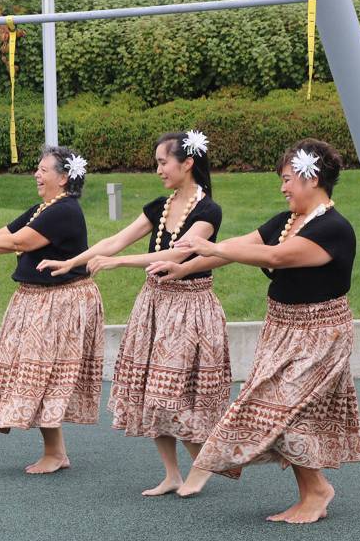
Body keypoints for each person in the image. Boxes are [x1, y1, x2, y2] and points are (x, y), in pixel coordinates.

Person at [148, 138, 360, 523]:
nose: (283, 188)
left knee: (286, 410)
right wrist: (186, 266)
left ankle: (317, 491)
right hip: (280, 329)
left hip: (320, 334)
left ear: (312, 178)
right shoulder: (286, 222)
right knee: (276, 413)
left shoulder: (333, 228)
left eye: (287, 179)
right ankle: (310, 492)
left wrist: (211, 248)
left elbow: (275, 256)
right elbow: (244, 245)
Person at [38, 130, 231, 496]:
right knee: (150, 391)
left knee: (176, 392)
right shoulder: (159, 206)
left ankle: (203, 465)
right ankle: (172, 474)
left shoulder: (208, 210)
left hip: (190, 308)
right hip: (154, 304)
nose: (158, 169)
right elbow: (115, 240)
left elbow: (181, 253)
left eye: (163, 162)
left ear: (187, 163)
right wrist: (71, 262)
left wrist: (119, 262)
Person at [0, 146, 104, 475]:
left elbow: (19, 243)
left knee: (42, 374)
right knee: (35, 372)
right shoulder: (45, 208)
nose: (36, 174)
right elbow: (6, 233)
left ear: (63, 178)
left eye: (43, 170)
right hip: (38, 300)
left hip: (61, 302)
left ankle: (55, 453)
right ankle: (55, 451)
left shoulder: (64, 211)